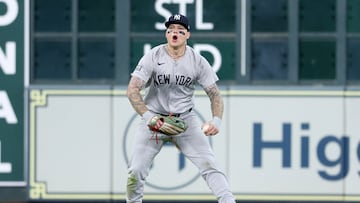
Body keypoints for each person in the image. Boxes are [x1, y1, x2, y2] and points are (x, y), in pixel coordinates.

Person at [126, 14, 236, 203]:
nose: (174, 33)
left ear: (187, 35)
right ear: (166, 34)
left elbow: (215, 94)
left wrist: (216, 120)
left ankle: (228, 201)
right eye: (171, 29)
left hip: (185, 121)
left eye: (180, 30)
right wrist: (148, 117)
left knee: (210, 164)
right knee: (135, 171)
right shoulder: (153, 56)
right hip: (153, 121)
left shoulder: (197, 60)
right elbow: (132, 90)